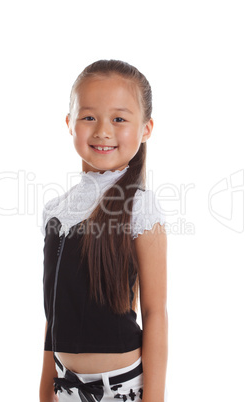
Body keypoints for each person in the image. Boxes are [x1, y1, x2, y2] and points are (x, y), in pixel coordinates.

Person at [39, 59, 168, 402]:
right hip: (65, 387)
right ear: (70, 123)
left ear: (146, 129)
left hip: (122, 390)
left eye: (119, 119)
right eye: (89, 117)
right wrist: (45, 388)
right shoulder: (56, 211)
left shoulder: (139, 207)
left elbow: (155, 312)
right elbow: (54, 312)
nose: (102, 131)